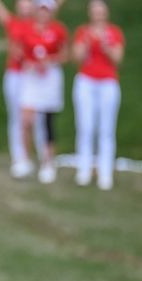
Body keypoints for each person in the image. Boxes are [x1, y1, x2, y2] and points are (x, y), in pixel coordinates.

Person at [0, 0, 65, 178]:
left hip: (35, 76)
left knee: (40, 118)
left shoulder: (44, 24)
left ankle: (43, 158)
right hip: (18, 74)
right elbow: (15, 47)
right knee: (19, 118)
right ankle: (20, 157)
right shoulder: (15, 23)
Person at [72, 0, 124, 191]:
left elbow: (118, 59)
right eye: (94, 10)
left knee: (106, 128)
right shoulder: (82, 32)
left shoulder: (114, 33)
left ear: (106, 12)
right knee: (85, 126)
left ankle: (105, 172)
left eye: (101, 10)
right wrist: (85, 44)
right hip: (86, 81)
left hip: (107, 82)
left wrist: (106, 45)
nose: (98, 14)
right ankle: (84, 169)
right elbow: (76, 58)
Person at [18, 0, 68, 183]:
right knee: (26, 119)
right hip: (32, 76)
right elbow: (19, 52)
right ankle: (25, 159)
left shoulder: (58, 30)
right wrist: (28, 62)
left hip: (50, 76)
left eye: (47, 10)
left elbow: (65, 54)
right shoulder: (27, 29)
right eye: (41, 9)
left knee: (47, 120)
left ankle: (47, 162)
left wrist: (50, 60)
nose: (43, 13)